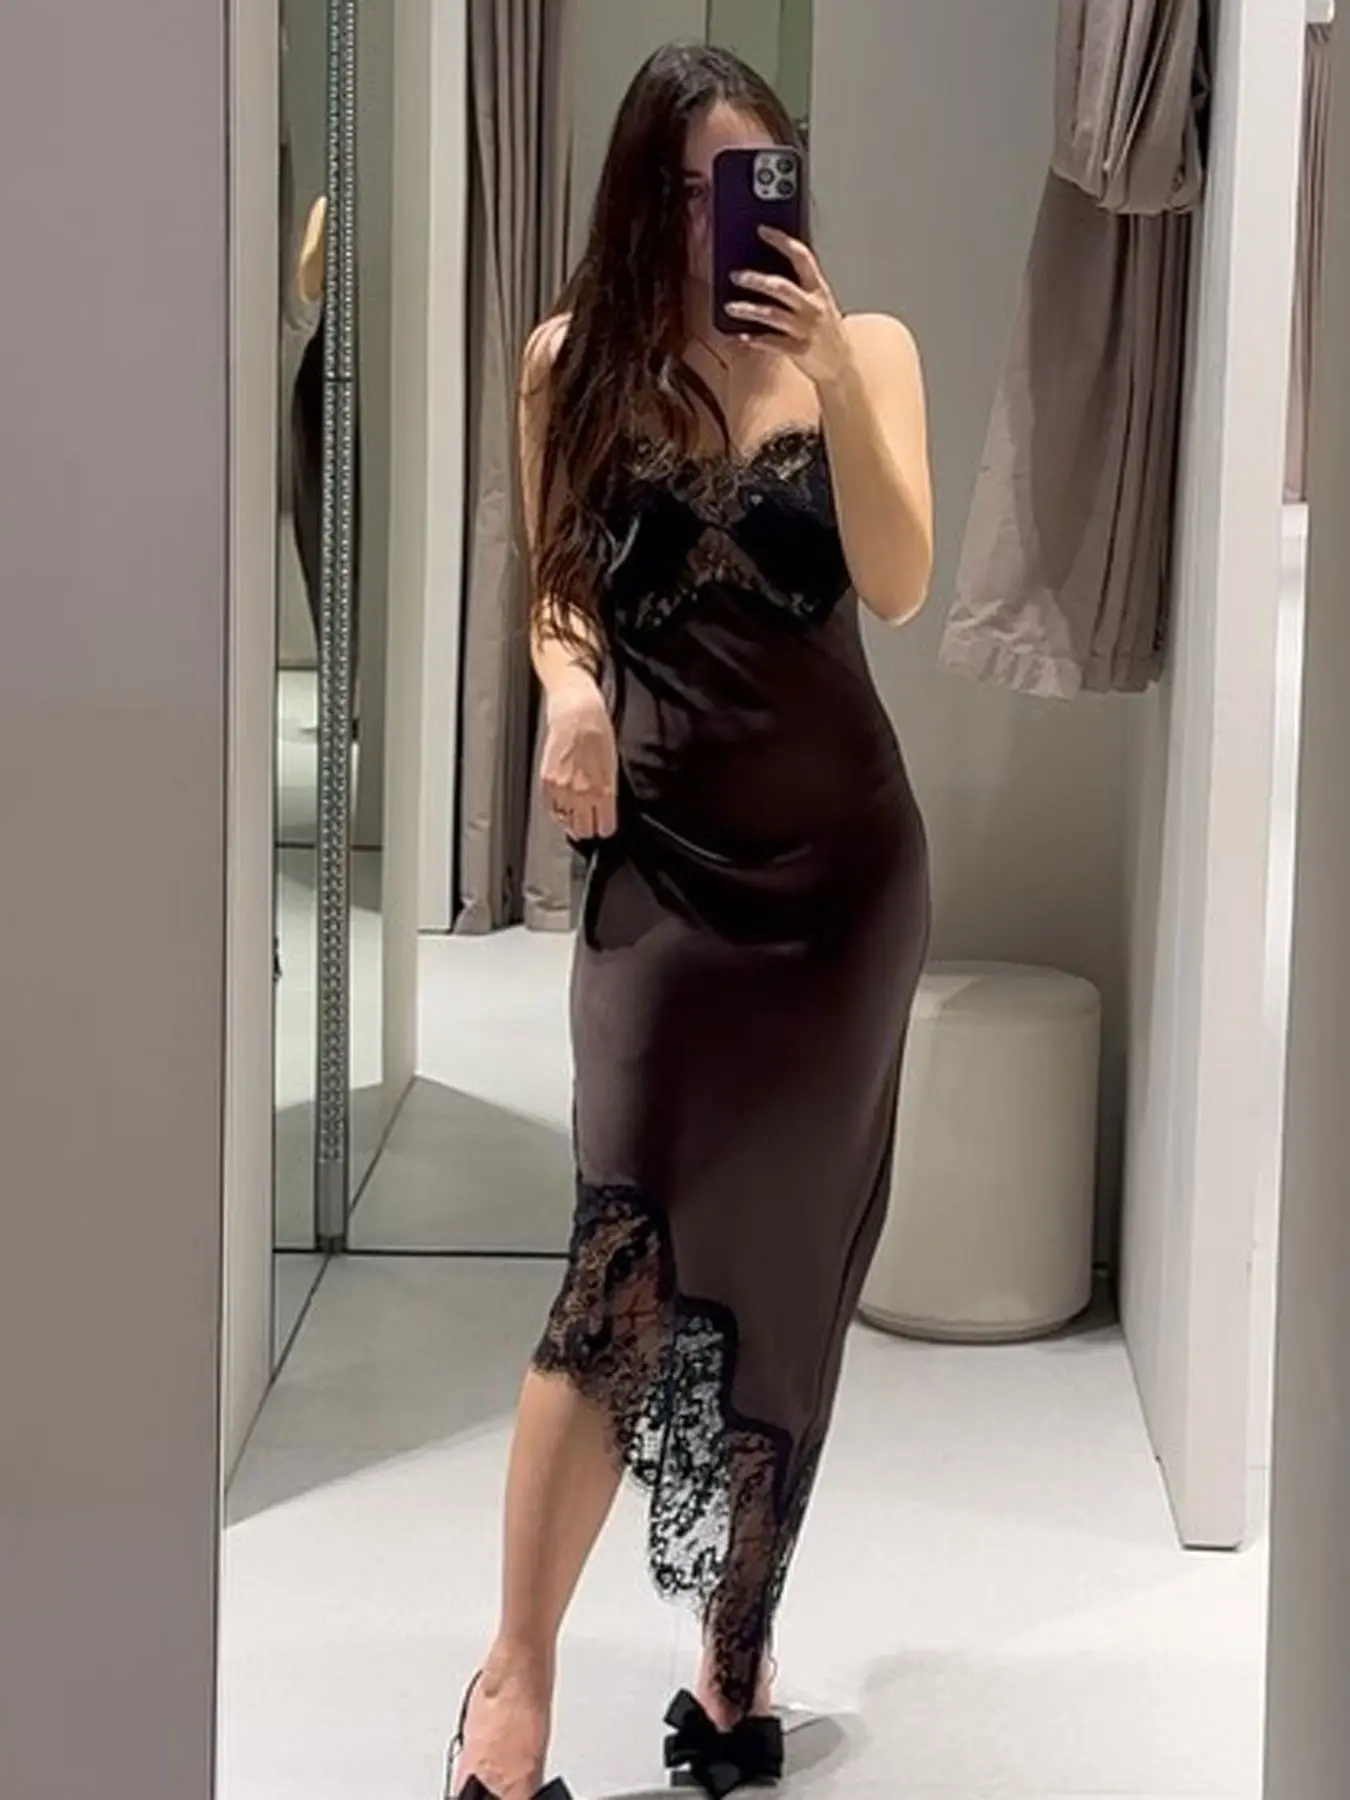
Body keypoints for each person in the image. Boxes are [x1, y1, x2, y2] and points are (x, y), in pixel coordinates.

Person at [447, 43, 932, 1800]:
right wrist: (570, 688)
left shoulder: (865, 352)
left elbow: (898, 579)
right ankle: (509, 1696)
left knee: (787, 1282)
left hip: (842, 889)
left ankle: (736, 1659)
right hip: (664, 880)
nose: (711, 218)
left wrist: (829, 373)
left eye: (746, 178)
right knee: (622, 1263)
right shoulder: (567, 362)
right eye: (682, 186)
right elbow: (560, 587)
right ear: (636, 193)